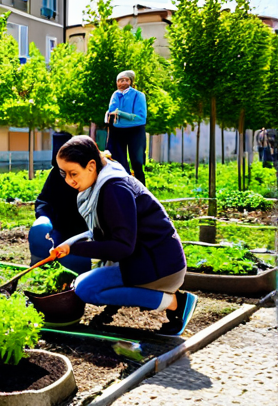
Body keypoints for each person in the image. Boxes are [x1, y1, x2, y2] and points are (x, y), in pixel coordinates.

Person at [50, 135, 197, 336]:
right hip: (145, 257)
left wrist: (75, 248)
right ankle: (123, 301)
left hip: (160, 267)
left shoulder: (114, 190)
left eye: (73, 173)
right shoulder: (104, 180)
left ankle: (176, 303)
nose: (68, 180)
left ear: (91, 166)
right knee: (81, 277)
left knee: (86, 289)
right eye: (63, 173)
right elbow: (103, 234)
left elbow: (122, 247)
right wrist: (69, 244)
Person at [31, 132, 92, 274]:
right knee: (40, 233)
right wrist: (44, 217)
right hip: (60, 230)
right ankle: (40, 271)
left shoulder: (92, 175)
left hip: (85, 235)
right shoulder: (56, 175)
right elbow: (43, 200)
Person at [106, 70, 147, 185]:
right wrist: (112, 113)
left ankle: (141, 190)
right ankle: (124, 187)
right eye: (119, 80)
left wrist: (121, 114)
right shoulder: (116, 95)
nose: (122, 83)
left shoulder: (138, 95)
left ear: (131, 81)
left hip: (135, 130)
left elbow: (141, 118)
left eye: (125, 80)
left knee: (137, 162)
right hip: (118, 131)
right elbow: (112, 111)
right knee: (118, 162)